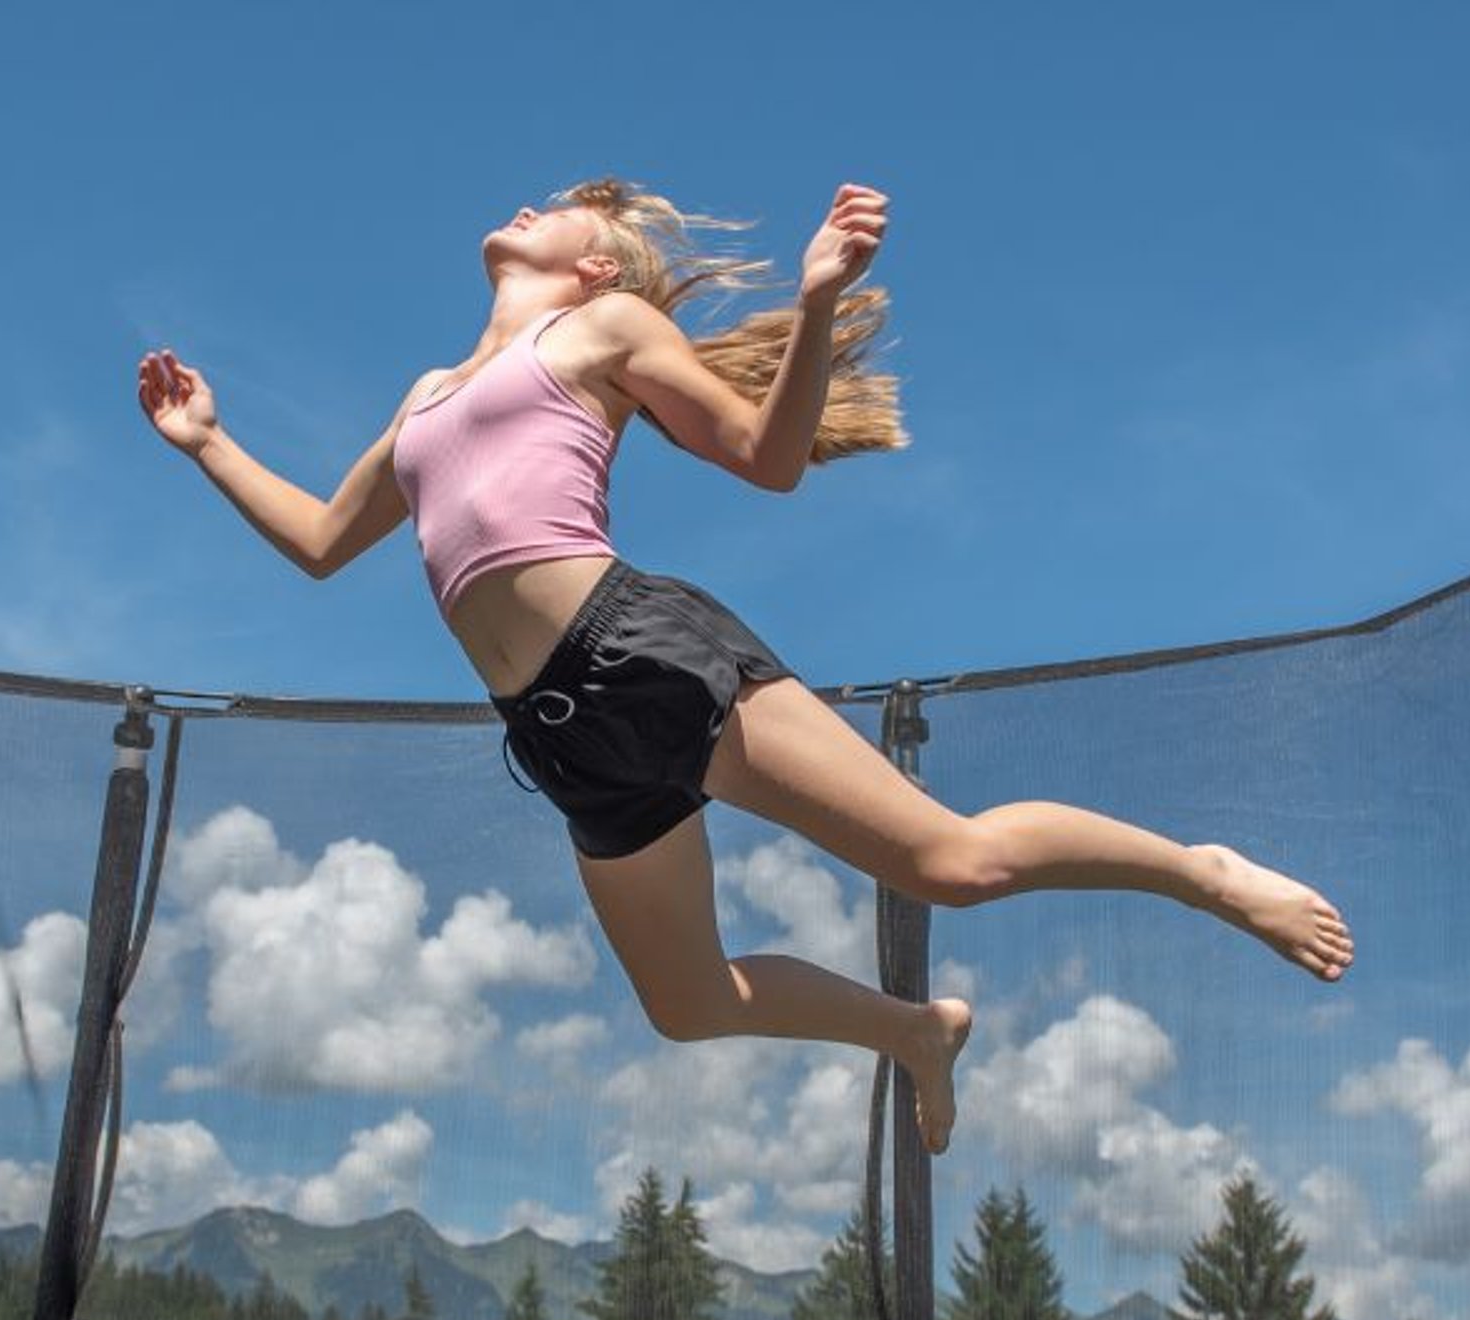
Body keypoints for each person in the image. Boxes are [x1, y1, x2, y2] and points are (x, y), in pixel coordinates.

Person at [136, 178, 1354, 1156]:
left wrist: (818, 302)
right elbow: (316, 545)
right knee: (687, 1005)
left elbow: (766, 462)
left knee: (950, 862)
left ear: (594, 264)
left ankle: (1204, 875)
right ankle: (916, 1034)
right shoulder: (423, 398)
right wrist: (206, 443)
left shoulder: (600, 328)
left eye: (558, 207)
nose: (525, 205)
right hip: (558, 736)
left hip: (640, 655)